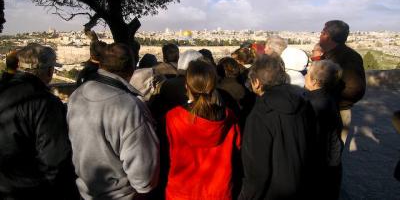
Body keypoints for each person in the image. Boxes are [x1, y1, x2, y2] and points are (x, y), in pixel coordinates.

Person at [67, 43, 159, 200]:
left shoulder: (77, 95)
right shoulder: (129, 106)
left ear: (101, 64)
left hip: (85, 192)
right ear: (132, 69)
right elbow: (143, 174)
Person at [0, 43, 79, 200]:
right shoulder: (45, 102)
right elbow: (55, 159)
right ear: (49, 71)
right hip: (28, 190)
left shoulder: (3, 89)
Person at [239, 54, 317, 200]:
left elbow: (256, 170)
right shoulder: (303, 103)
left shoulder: (259, 114)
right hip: (302, 185)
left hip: (273, 192)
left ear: (256, 82)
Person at [165, 59, 241, 200]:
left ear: (187, 86)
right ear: (214, 86)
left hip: (181, 192)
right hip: (219, 192)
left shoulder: (173, 117)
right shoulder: (228, 117)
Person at [319, 20, 366, 145]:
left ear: (327, 36)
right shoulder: (329, 55)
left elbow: (355, 89)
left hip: (336, 113)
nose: (319, 35)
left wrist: (329, 98)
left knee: (331, 155)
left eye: (322, 32)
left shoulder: (348, 58)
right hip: (329, 110)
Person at [304, 60, 343, 200]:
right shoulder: (330, 98)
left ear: (314, 81)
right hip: (330, 162)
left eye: (307, 74)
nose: (305, 77)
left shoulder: (309, 103)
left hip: (315, 165)